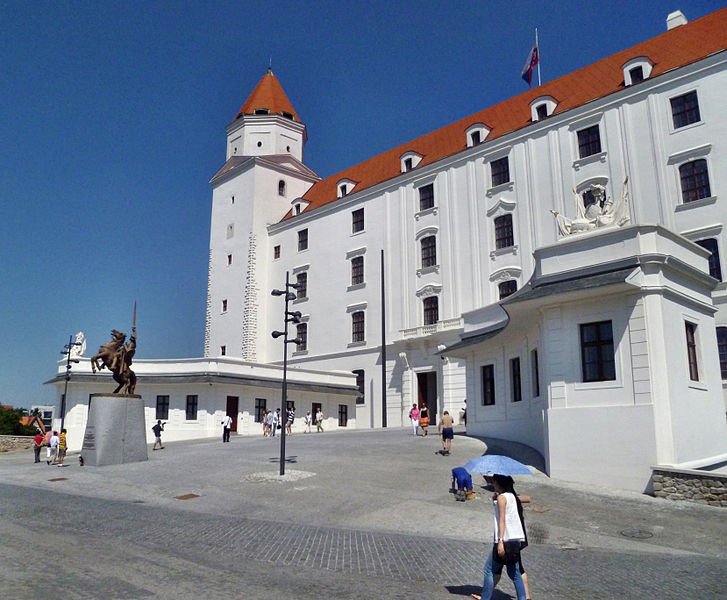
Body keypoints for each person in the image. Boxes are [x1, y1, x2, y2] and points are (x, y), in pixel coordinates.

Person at [471, 474, 528, 600]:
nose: (493, 484)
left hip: (505, 540)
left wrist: (500, 541)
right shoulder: (511, 496)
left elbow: (502, 520)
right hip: (515, 539)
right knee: (515, 573)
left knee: (489, 570)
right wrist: (496, 500)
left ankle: (485, 598)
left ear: (498, 482)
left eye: (494, 481)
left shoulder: (502, 498)